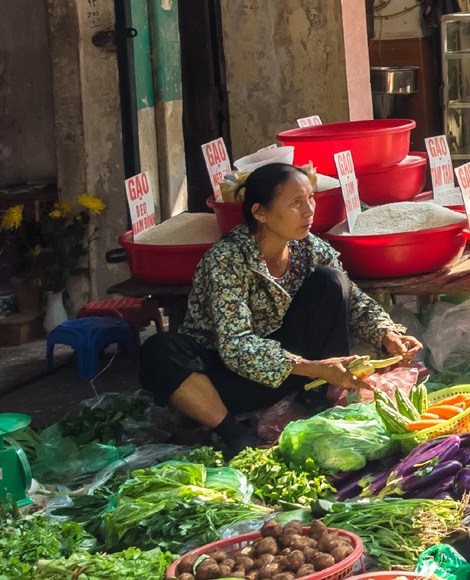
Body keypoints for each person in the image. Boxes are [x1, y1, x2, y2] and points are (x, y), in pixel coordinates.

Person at [139, 163, 422, 454]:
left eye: (310, 198)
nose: (309, 210)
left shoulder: (310, 247)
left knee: (332, 281)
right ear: (260, 212)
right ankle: (232, 432)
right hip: (227, 379)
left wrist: (388, 334)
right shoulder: (227, 259)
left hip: (302, 376)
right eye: (296, 203)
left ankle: (320, 399)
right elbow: (235, 345)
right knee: (159, 350)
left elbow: (355, 301)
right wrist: (309, 366)